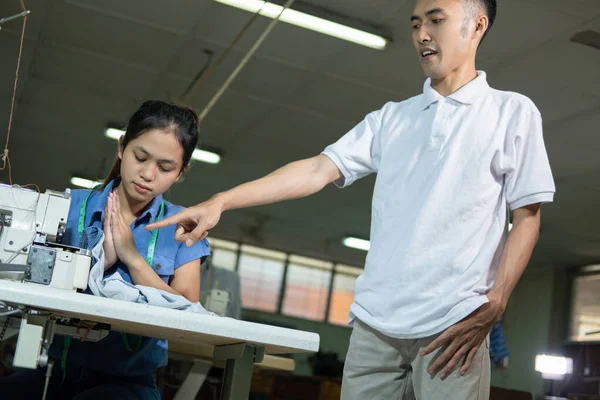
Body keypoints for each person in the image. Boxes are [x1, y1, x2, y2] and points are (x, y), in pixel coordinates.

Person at [147, 0, 555, 398]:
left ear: (477, 26)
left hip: (453, 327)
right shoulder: (393, 118)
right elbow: (316, 170)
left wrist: (497, 301)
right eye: (415, 24)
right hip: (375, 325)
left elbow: (527, 218)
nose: (421, 35)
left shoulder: (512, 113)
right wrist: (223, 200)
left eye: (435, 20)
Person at [0, 100, 210, 399]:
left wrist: (132, 258)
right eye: (141, 157)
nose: (148, 174)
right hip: (50, 368)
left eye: (165, 167)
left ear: (181, 172)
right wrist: (95, 263)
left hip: (128, 382)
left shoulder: (184, 228)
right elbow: (30, 274)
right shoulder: (69, 208)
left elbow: (189, 311)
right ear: (122, 147)